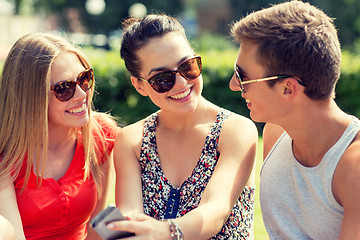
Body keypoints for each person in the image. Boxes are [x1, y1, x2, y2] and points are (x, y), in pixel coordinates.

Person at [111, 14, 257, 239]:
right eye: (162, 78)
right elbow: (130, 223)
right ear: (139, 86)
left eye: (187, 66)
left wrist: (165, 231)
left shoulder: (236, 130)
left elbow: (215, 211)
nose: (181, 83)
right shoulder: (131, 140)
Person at [229, 1, 360, 239]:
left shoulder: (354, 167)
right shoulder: (275, 133)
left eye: (242, 76)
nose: (233, 85)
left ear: (288, 88)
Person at [0, 33, 118, 240]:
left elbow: (97, 224)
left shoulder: (101, 134)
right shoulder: (7, 153)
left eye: (84, 79)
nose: (82, 95)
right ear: (31, 98)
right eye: (64, 88)